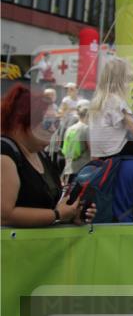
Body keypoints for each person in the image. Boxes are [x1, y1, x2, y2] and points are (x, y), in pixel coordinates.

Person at [1, 86, 90, 227]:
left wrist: (72, 213)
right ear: (20, 123)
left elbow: (47, 206)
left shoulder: (40, 154)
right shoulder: (5, 153)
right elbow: (4, 216)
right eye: (47, 123)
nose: (54, 129)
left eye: (56, 123)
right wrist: (57, 215)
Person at [89, 56, 133, 159]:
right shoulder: (117, 101)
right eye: (128, 80)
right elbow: (132, 125)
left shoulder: (97, 101)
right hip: (114, 149)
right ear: (120, 81)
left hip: (98, 151)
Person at [61, 101, 91, 185]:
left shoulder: (70, 129)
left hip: (69, 169)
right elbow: (92, 151)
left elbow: (65, 148)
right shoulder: (86, 129)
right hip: (83, 170)